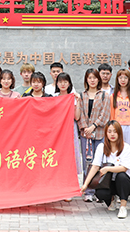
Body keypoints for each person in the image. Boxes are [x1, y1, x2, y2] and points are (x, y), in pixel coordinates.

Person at [80, 120, 130, 219]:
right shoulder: (101, 147)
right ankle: (112, 200)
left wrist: (108, 169)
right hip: (108, 182)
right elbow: (95, 166)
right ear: (106, 133)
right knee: (100, 193)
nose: (112, 134)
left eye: (115, 131)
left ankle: (123, 206)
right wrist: (85, 184)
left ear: (119, 133)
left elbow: (124, 168)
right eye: (109, 131)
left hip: (125, 183)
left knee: (121, 176)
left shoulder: (126, 147)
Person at [77, 68, 110, 202]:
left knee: (99, 162)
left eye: (94, 78)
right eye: (89, 78)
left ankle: (99, 191)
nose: (92, 80)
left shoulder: (104, 95)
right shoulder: (82, 95)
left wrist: (94, 126)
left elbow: (105, 114)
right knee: (87, 162)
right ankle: (88, 191)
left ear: (98, 79)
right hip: (85, 134)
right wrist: (85, 128)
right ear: (86, 79)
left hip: (100, 133)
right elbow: (80, 113)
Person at [54, 72, 82, 201]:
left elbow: (76, 117)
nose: (63, 84)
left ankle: (68, 190)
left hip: (70, 129)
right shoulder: (53, 98)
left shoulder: (73, 97)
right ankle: (58, 188)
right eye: (60, 82)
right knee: (58, 158)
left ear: (69, 83)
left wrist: (78, 101)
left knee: (70, 158)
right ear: (57, 83)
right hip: (57, 131)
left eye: (65, 82)